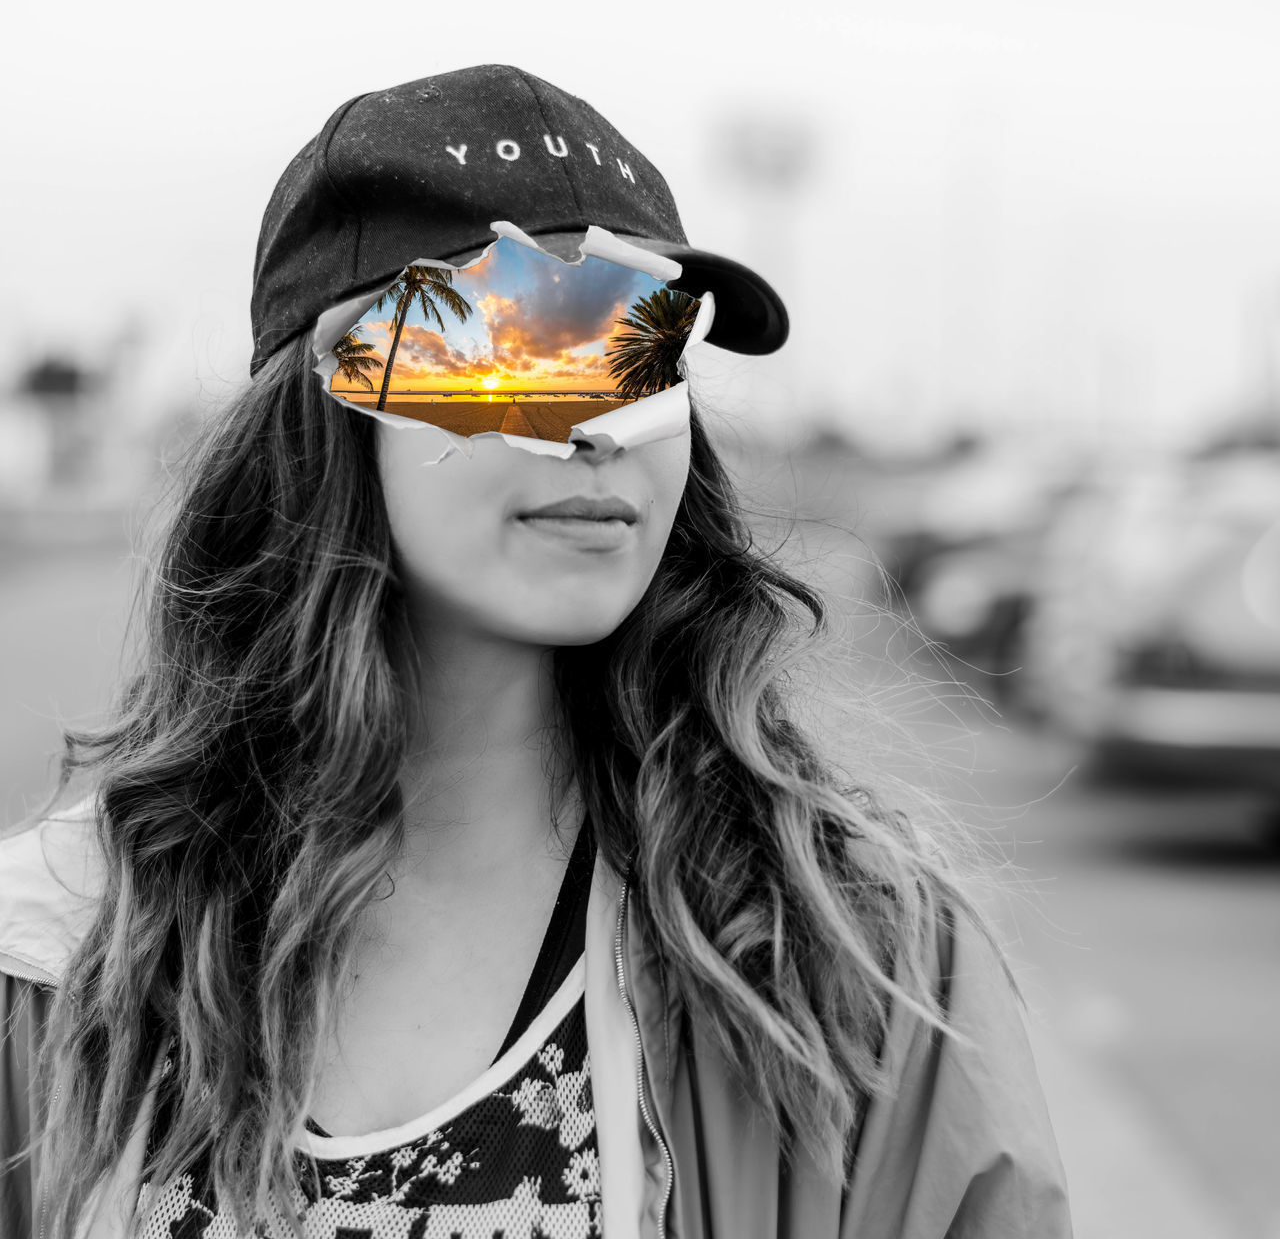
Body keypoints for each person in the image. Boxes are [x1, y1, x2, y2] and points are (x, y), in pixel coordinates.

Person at [0, 64, 1071, 1239]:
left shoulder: (842, 953)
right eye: (523, 344)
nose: (602, 427)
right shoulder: (64, 944)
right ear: (330, 399)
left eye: (646, 352)